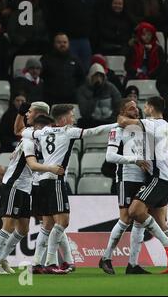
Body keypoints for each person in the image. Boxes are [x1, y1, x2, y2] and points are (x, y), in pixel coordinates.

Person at [21, 104, 119, 274]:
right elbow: (93, 131)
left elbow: (24, 132)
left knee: (47, 224)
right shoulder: (68, 131)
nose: (74, 119)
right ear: (64, 119)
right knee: (62, 222)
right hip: (55, 180)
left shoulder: (43, 132)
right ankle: (51, 262)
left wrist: (25, 129)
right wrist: (117, 125)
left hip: (42, 181)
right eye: (72, 116)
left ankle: (37, 263)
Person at [0, 114, 65, 274]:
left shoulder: (35, 142)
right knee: (8, 224)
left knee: (23, 229)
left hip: (25, 187)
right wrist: (51, 168)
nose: (49, 132)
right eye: (48, 128)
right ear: (39, 128)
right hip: (14, 185)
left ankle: (2, 258)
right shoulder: (29, 142)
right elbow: (32, 164)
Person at [118, 97, 168, 271]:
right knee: (161, 222)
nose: (143, 108)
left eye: (145, 106)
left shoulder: (152, 124)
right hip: (165, 177)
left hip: (158, 178)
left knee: (135, 211)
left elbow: (122, 121)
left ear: (151, 108)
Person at [99, 99, 150, 275]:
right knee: (126, 219)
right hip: (126, 178)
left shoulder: (142, 129)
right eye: (131, 109)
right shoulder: (117, 130)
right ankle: (105, 257)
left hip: (143, 179)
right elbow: (110, 157)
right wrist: (134, 160)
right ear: (122, 111)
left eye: (136, 108)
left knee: (140, 219)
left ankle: (133, 264)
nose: (135, 111)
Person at [40, 33, 85, 105]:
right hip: (51, 100)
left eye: (65, 42)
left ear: (68, 44)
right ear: (54, 44)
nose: (62, 44)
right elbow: (40, 76)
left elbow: (82, 77)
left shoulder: (75, 59)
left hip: (71, 100)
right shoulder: (46, 59)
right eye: (59, 42)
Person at [77, 63, 121, 128]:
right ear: (90, 76)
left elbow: (118, 104)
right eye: (96, 76)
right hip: (91, 123)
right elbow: (84, 112)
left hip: (109, 122)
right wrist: (94, 96)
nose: (98, 78)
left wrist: (112, 119)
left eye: (100, 76)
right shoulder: (83, 90)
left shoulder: (110, 87)